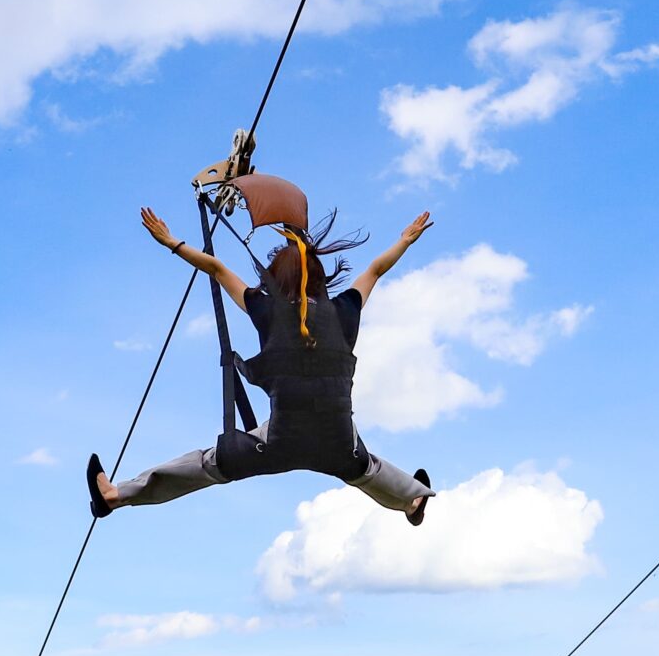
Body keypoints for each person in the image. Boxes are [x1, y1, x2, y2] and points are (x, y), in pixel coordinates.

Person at [89, 207, 436, 523]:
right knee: (366, 467)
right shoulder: (345, 310)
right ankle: (412, 500)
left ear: (275, 281)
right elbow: (375, 269)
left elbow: (216, 268)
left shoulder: (267, 310)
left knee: (206, 463)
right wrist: (404, 240)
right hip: (338, 442)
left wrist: (171, 242)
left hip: (278, 442)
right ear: (321, 280)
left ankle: (116, 496)